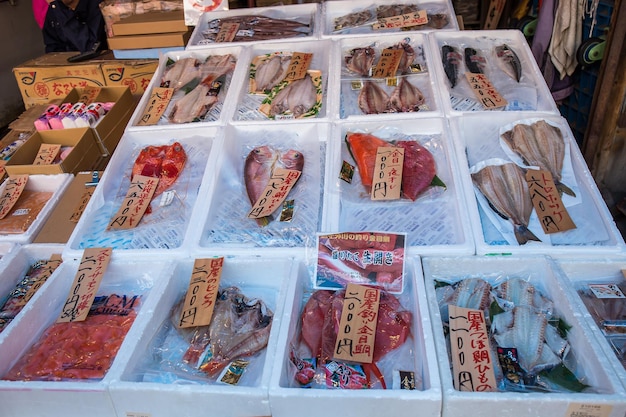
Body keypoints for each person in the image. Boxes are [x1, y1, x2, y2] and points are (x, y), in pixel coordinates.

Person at [42, 0, 108, 53]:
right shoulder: (55, 9)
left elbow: (90, 47)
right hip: (69, 66)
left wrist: (62, 13)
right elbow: (52, 50)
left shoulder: (98, 4)